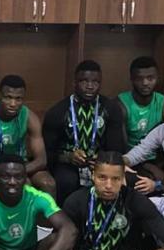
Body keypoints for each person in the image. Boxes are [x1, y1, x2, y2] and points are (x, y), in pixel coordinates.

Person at [43, 60, 127, 205]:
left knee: (113, 178)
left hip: (102, 162)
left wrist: (102, 158)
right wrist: (68, 157)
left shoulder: (111, 109)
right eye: (84, 81)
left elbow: (117, 148)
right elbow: (48, 152)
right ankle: (69, 219)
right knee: (66, 180)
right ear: (74, 83)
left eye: (95, 82)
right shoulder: (58, 112)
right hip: (68, 164)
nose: (90, 86)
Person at [0, 74, 55, 196]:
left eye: (18, 99)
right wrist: (2, 172)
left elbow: (41, 160)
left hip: (22, 164)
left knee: (48, 183)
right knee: (19, 183)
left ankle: (48, 215)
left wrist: (15, 172)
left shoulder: (30, 117)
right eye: (8, 97)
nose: (13, 103)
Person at [118, 56, 164, 152]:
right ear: (132, 79)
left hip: (156, 157)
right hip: (130, 157)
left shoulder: (162, 101)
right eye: (139, 79)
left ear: (157, 78)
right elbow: (121, 146)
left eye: (150, 78)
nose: (145, 83)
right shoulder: (121, 103)